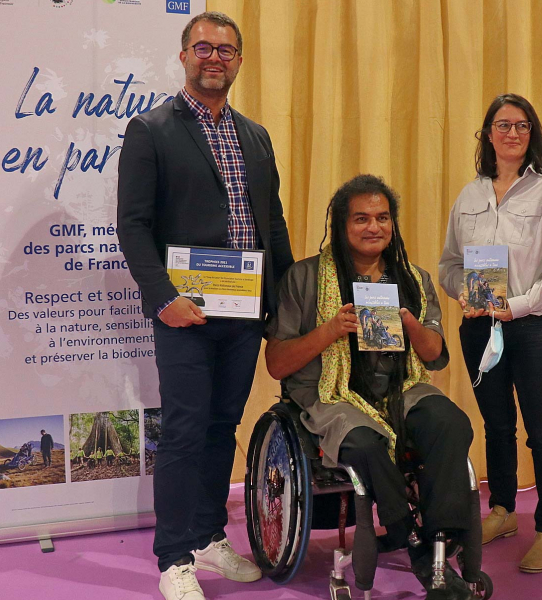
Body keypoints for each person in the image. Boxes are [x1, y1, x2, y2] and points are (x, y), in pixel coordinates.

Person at [117, 11, 294, 600]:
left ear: (239, 60)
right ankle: (173, 558)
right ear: (185, 56)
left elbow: (272, 223)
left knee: (223, 428)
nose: (214, 57)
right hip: (185, 315)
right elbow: (133, 226)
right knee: (186, 431)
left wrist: (285, 303)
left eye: (226, 50)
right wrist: (162, 298)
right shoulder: (151, 129)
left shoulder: (257, 134)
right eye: (203, 48)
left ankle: (209, 535)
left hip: (245, 315)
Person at [265, 174, 476, 598]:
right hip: (331, 391)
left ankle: (439, 544)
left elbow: (434, 355)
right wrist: (330, 331)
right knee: (363, 442)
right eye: (361, 218)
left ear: (393, 224)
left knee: (451, 421)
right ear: (342, 225)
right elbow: (275, 364)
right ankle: (411, 539)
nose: (373, 227)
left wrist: (410, 322)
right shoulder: (304, 278)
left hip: (403, 386)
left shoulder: (412, 279)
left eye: (382, 218)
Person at [439, 94, 542, 573]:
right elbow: (449, 265)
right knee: (497, 426)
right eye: (503, 125)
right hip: (479, 329)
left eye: (522, 126)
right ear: (488, 134)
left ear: (532, 132)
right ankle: (502, 511)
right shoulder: (469, 194)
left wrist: (514, 308)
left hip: (536, 329)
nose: (513, 134)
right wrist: (465, 293)